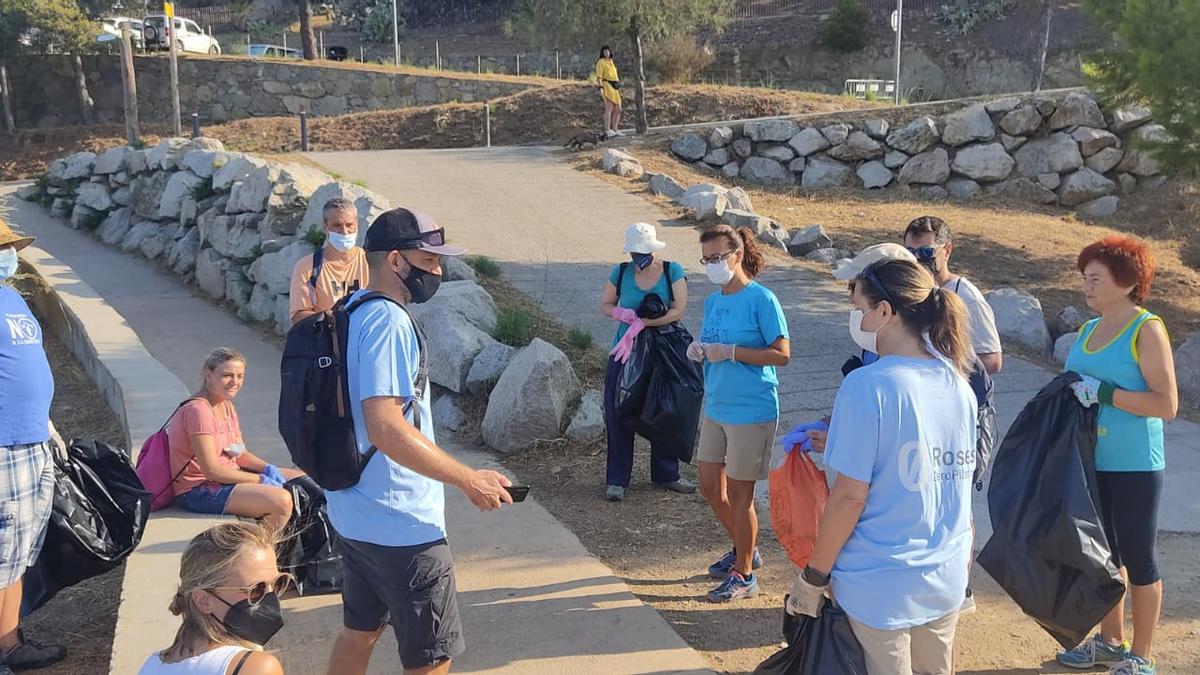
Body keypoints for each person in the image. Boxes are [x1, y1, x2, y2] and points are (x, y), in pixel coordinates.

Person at [324, 208, 514, 675]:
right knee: (432, 657)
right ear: (395, 260)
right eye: (428, 259)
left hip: (354, 510)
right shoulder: (388, 321)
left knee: (359, 632)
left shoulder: (349, 308)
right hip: (403, 526)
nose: (438, 270)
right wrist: (467, 478)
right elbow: (387, 426)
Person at [786, 258, 977, 675]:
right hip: (944, 572)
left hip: (879, 583)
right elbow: (957, 481)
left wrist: (813, 577)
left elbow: (850, 496)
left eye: (858, 309)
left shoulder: (867, 385)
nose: (856, 319)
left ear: (885, 312)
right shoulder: (957, 382)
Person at [1056, 236, 1176, 675]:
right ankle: (1109, 642)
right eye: (1084, 277)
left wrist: (1107, 394)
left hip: (1135, 464)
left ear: (1128, 283)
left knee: (1138, 558)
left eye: (1095, 278)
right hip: (1090, 460)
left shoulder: (1146, 329)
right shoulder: (1088, 330)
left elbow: (1167, 404)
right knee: (1104, 558)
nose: (1086, 286)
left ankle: (1141, 656)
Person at [688, 224, 790, 602]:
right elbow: (712, 341)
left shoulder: (762, 299)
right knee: (711, 486)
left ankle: (744, 573)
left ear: (737, 255)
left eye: (718, 258)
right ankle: (745, 547)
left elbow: (782, 353)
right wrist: (700, 350)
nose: (713, 265)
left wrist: (732, 352)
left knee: (742, 495)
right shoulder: (715, 301)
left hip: (752, 409)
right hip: (716, 405)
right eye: (706, 259)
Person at [0, 219, 66, 674]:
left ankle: (10, 643)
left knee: (19, 552)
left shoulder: (12, 298)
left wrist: (48, 425)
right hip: (4, 448)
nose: (7, 254)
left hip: (34, 441)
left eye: (8, 247)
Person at [599, 222, 694, 502]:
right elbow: (605, 304)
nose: (639, 258)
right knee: (618, 411)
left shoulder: (671, 271)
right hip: (626, 351)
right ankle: (617, 479)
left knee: (665, 409)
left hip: (663, 352)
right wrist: (624, 316)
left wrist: (648, 321)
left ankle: (667, 473)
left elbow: (679, 309)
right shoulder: (621, 271)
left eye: (644, 252)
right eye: (635, 253)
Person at [168, 348, 305, 533]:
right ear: (208, 375)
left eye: (240, 376)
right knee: (281, 501)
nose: (235, 382)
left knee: (304, 479)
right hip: (199, 490)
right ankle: (262, 549)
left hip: (227, 477)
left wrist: (267, 468)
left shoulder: (226, 405)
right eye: (227, 375)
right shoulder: (198, 411)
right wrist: (259, 479)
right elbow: (211, 471)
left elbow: (240, 454)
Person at [139, 521, 285, 675]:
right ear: (203, 600)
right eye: (256, 589)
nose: (271, 596)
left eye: (278, 583)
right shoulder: (255, 668)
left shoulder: (151, 665)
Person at [903, 215, 1003, 374]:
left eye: (926, 252)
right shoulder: (906, 289)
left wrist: (940, 369)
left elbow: (992, 361)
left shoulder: (968, 298)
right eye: (909, 252)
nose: (917, 259)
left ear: (947, 251)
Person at [289, 198, 369, 324]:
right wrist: (333, 321)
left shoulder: (370, 262)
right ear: (325, 227)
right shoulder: (307, 268)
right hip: (328, 340)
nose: (344, 231)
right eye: (336, 225)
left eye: (349, 225)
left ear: (357, 224)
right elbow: (298, 315)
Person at [594, 45, 622, 138]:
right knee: (609, 108)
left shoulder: (611, 62)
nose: (607, 53)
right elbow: (599, 77)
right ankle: (607, 130)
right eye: (605, 51)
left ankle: (615, 128)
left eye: (608, 51)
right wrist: (601, 87)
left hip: (615, 87)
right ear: (602, 52)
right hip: (607, 85)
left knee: (618, 109)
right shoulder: (600, 62)